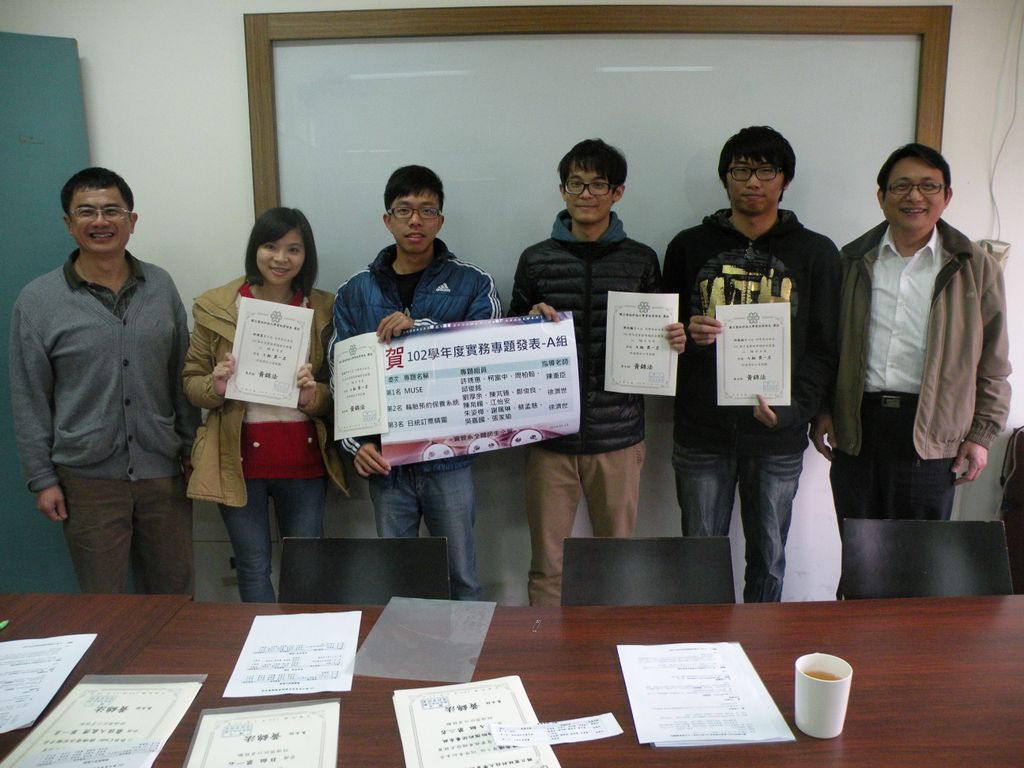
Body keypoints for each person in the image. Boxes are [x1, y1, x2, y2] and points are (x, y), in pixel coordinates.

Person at [662, 126, 840, 603]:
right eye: (741, 170)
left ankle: (762, 644)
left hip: (777, 433)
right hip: (701, 431)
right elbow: (663, 332)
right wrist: (687, 335)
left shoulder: (817, 252)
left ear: (785, 180)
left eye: (765, 171)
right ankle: (703, 643)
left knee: (769, 557)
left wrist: (794, 411)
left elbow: (825, 347)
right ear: (725, 179)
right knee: (700, 557)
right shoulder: (687, 246)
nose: (753, 181)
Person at [9, 167, 199, 594]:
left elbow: (180, 377)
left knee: (174, 595)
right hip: (86, 481)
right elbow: (29, 397)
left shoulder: (160, 286)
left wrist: (192, 449)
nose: (101, 221)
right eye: (87, 212)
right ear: (68, 223)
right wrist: (42, 479)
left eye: (112, 210)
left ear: (132, 221)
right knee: (103, 601)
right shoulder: (38, 301)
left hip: (163, 474)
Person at [510, 138, 683, 607]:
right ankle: (544, 643)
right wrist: (527, 321)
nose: (585, 194)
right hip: (549, 439)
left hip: (619, 438)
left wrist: (674, 340)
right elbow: (508, 340)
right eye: (576, 184)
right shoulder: (535, 259)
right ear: (562, 190)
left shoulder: (641, 259)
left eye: (597, 184)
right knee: (548, 566)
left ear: (617, 192)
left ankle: (614, 645)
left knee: (617, 563)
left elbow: (660, 333)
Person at [812, 143, 1010, 523]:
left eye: (928, 186)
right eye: (901, 186)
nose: (914, 196)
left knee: (922, 553)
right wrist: (821, 409)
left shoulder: (976, 267)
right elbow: (825, 345)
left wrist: (981, 435)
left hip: (935, 436)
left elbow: (994, 363)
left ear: (946, 196)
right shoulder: (851, 261)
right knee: (860, 549)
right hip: (858, 428)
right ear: (882, 197)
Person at [330, 165, 500, 601]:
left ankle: (467, 649)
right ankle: (403, 649)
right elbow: (341, 376)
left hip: (450, 459)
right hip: (385, 463)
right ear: (387, 219)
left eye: (427, 210)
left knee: (462, 579)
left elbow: (487, 357)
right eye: (404, 210)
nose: (415, 221)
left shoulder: (474, 283)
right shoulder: (354, 291)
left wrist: (420, 330)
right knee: (398, 583)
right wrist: (356, 446)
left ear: (441, 220)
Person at [182, 207, 348, 602]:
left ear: (306, 255)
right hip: (236, 458)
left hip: (303, 456)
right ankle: (261, 642)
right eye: (270, 246)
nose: (280, 258)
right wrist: (215, 385)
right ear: (255, 249)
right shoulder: (218, 306)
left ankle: (303, 641)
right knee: (252, 565)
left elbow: (342, 389)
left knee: (304, 566)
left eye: (293, 249)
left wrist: (313, 396)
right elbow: (190, 382)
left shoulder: (325, 309)